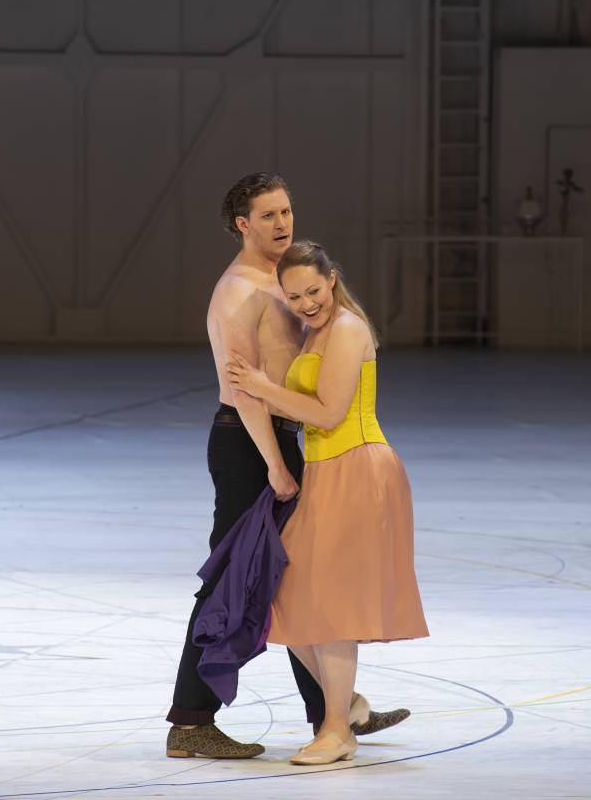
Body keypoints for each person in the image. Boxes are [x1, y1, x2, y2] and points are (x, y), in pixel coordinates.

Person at [166, 174, 410, 761]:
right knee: (232, 577)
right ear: (242, 225)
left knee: (291, 573)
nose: (283, 223)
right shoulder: (238, 292)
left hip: (281, 439)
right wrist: (276, 465)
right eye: (269, 215)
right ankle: (191, 719)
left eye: (287, 211)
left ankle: (335, 711)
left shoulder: (283, 282)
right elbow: (244, 391)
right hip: (250, 445)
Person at [227, 239, 429, 765]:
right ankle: (350, 706)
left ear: (332, 279)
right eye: (294, 297)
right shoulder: (318, 331)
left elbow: (328, 413)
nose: (306, 303)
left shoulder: (346, 330)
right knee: (287, 598)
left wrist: (260, 386)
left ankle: (337, 730)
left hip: (358, 469)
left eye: (313, 291)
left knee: (333, 605)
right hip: (327, 472)